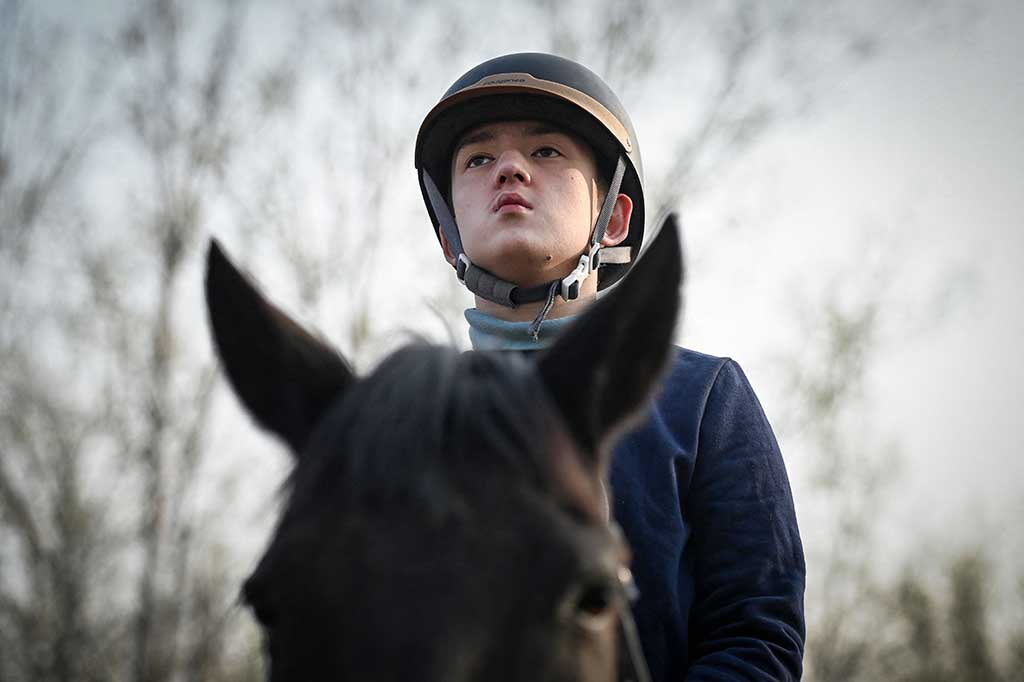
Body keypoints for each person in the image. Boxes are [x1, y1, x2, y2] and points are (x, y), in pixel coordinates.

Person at [414, 53, 806, 682]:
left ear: (614, 218)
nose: (510, 168)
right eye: (478, 159)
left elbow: (756, 637)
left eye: (546, 152)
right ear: (449, 235)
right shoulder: (410, 426)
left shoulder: (702, 400)